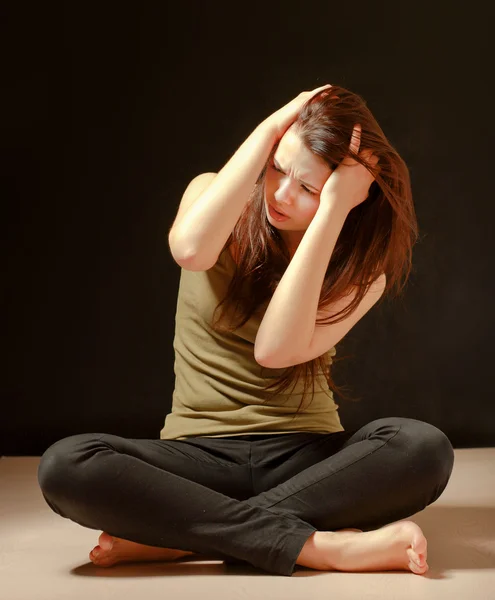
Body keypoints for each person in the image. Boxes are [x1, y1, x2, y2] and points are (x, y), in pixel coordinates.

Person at [37, 84, 455, 577]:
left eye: (309, 189)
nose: (281, 194)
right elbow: (190, 251)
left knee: (423, 448)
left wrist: (334, 212)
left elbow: (274, 349)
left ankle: (180, 534)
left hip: (307, 459)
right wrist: (269, 128)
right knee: (68, 465)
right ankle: (316, 546)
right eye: (279, 167)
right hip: (195, 456)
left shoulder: (362, 272)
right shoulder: (211, 193)